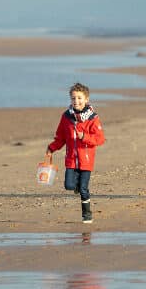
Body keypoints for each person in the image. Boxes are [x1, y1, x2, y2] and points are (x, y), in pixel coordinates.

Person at [46, 82, 105, 223]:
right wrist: (51, 148)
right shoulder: (66, 117)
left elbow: (100, 139)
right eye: (73, 98)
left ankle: (87, 214)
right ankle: (76, 185)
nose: (76, 101)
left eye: (79, 98)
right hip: (71, 159)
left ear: (86, 99)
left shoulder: (93, 118)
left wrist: (84, 137)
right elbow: (61, 137)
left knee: (84, 189)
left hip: (86, 161)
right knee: (69, 186)